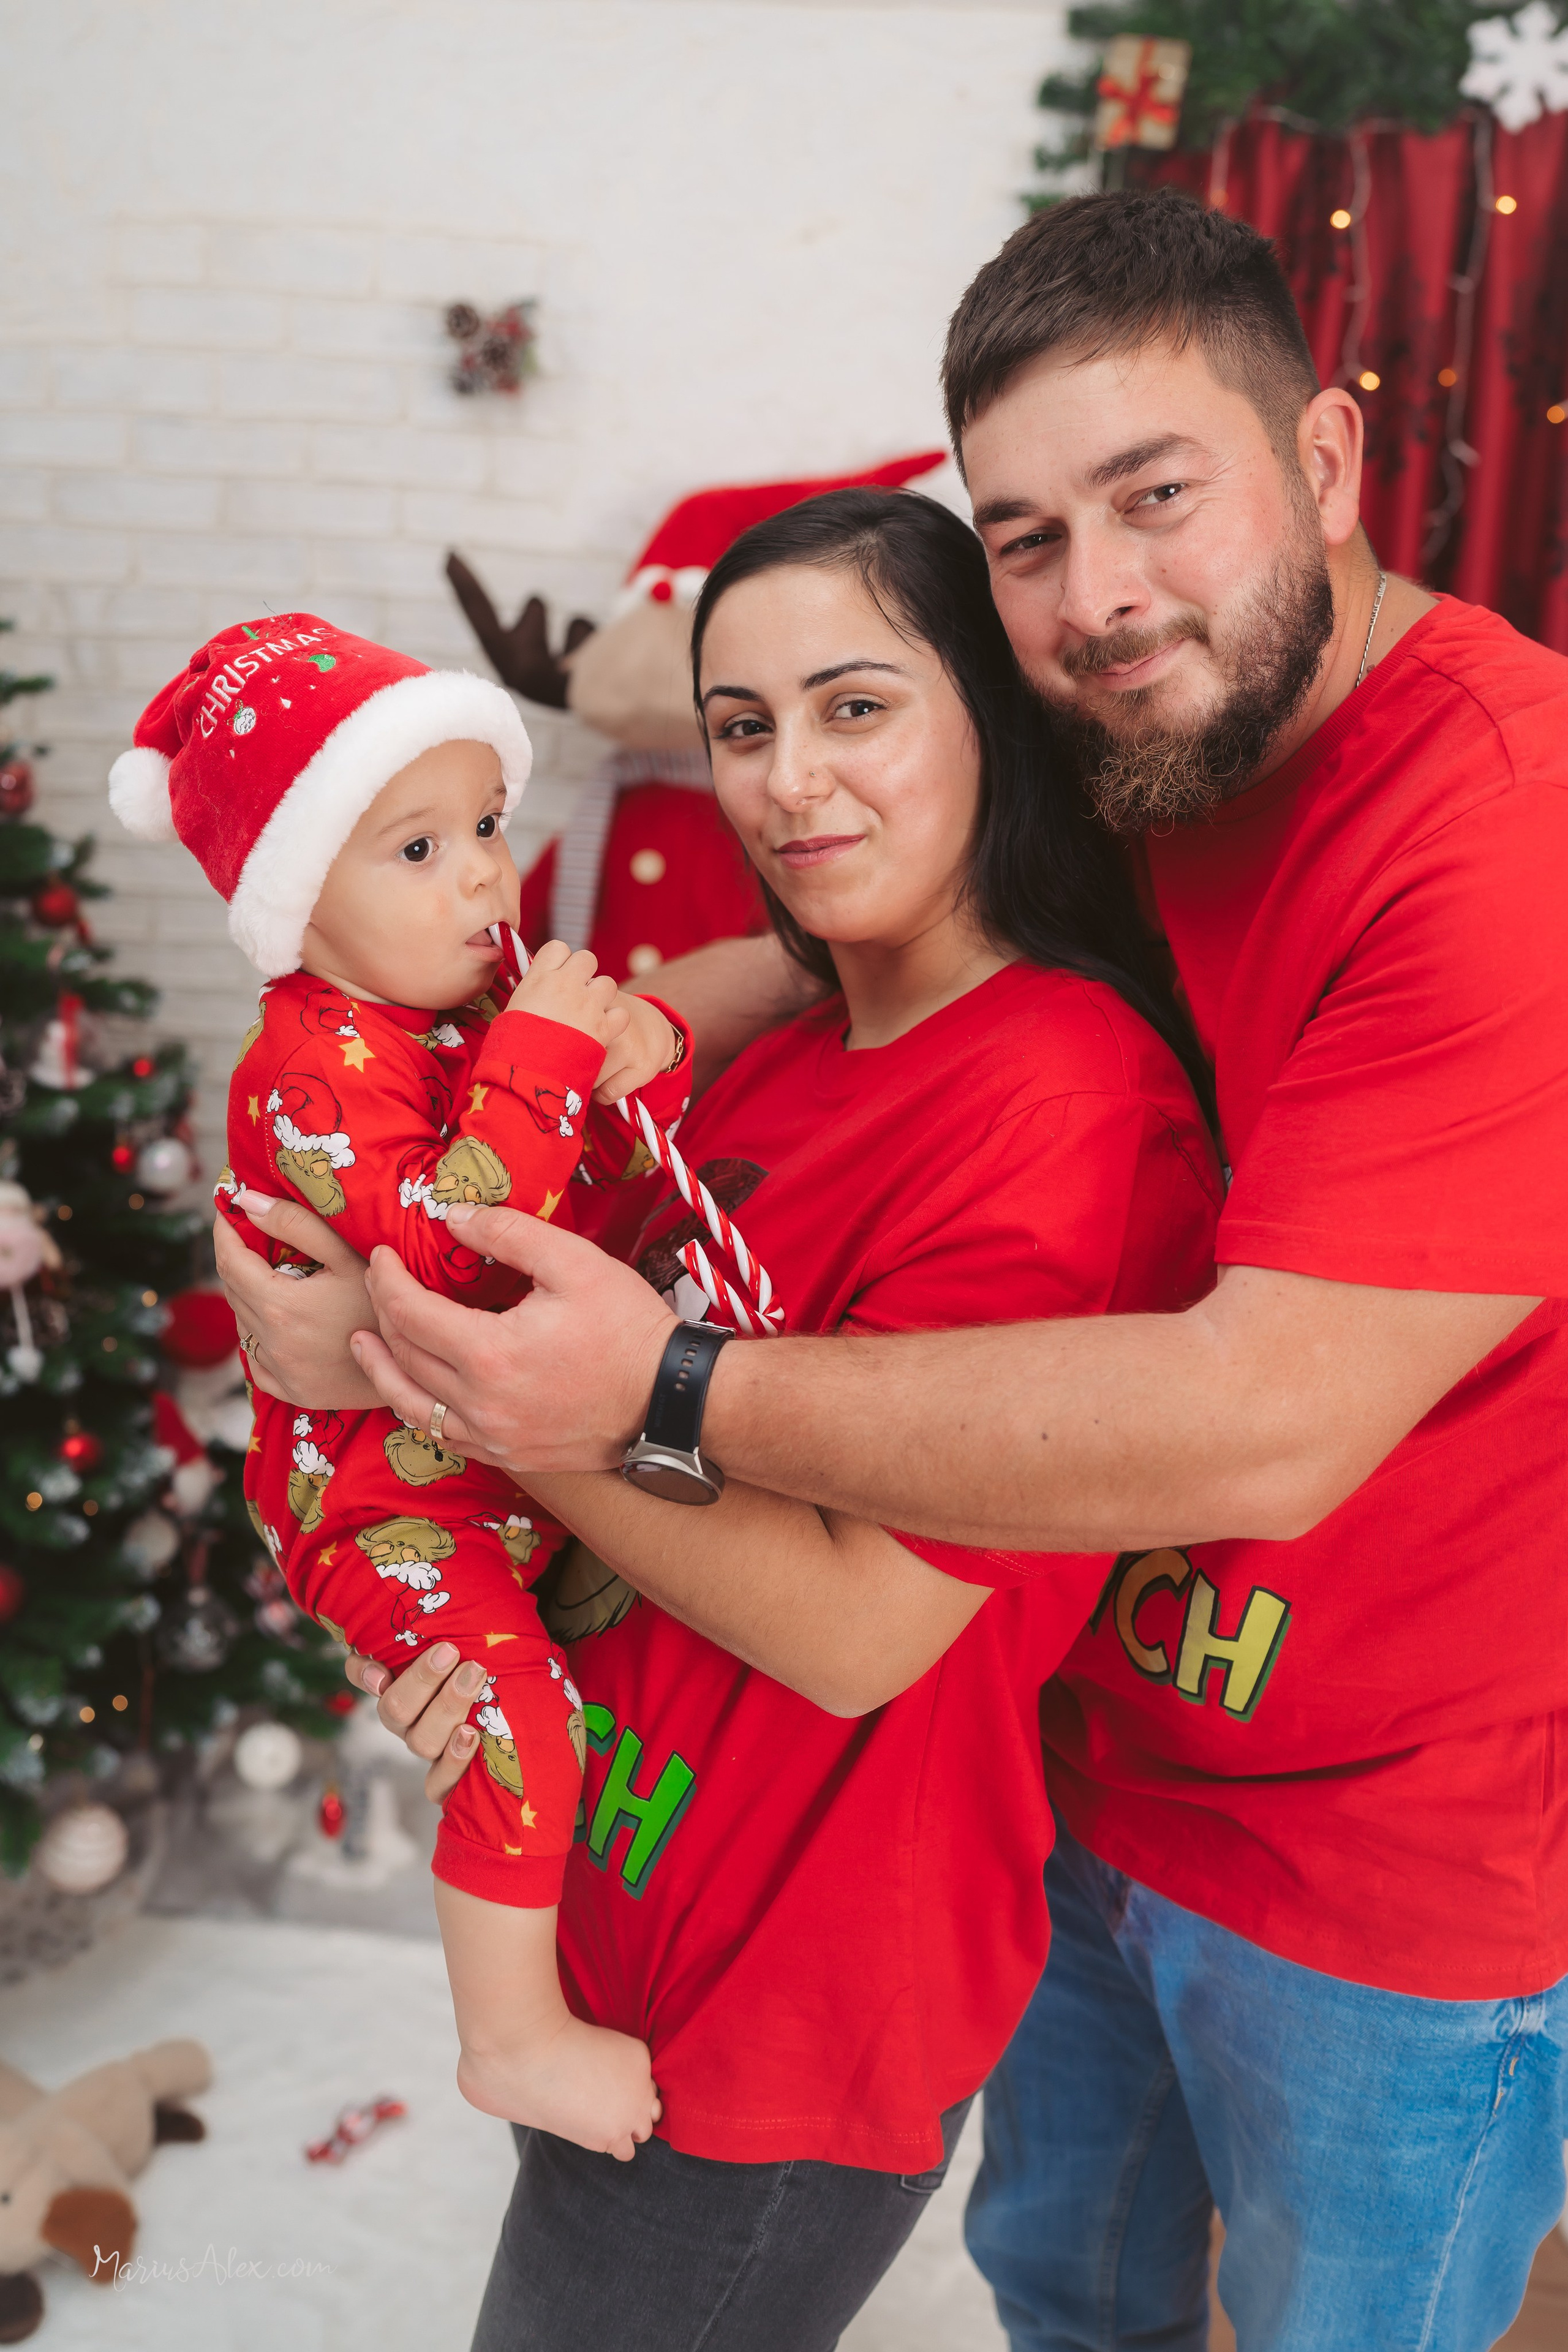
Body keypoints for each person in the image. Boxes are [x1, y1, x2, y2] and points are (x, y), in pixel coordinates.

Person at [221, 189, 1568, 2351]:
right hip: (1083, 1781)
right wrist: (644, 1018)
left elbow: (1270, 1415)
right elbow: (918, 852)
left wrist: (570, 1393)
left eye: (1155, 495)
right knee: (1070, 2295)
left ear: (1323, 464)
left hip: (1372, 1869)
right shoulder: (1155, 736)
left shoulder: (1499, 832)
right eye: (1028, 537)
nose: (1097, 592)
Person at [219, 486, 1221, 2351]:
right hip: (629, 1917)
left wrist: (419, 1380)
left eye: (856, 708)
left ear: (989, 716)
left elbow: (863, 1633)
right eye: (742, 728)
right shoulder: (799, 1039)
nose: (784, 783)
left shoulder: (1071, 1106)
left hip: (783, 2017)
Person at [110, 616, 689, 2158]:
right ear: (300, 898)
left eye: (486, 828)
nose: (484, 877)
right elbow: (455, 1256)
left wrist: (637, 1050)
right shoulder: (307, 1069)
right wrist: (549, 1059)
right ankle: (505, 2040)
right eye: (419, 848)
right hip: (380, 1506)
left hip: (487, 1470)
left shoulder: (442, 1022)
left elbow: (600, 1174)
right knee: (515, 1730)